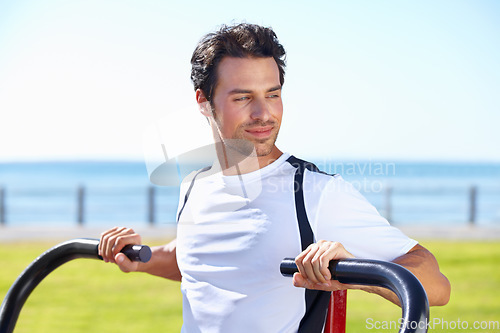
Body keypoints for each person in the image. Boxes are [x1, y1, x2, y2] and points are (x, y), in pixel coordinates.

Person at [99, 23, 450, 332]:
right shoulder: (194, 185)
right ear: (204, 102)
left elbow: (435, 285)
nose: (263, 113)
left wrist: (354, 271)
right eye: (243, 97)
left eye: (273, 94)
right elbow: (206, 260)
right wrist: (140, 257)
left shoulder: (317, 193)